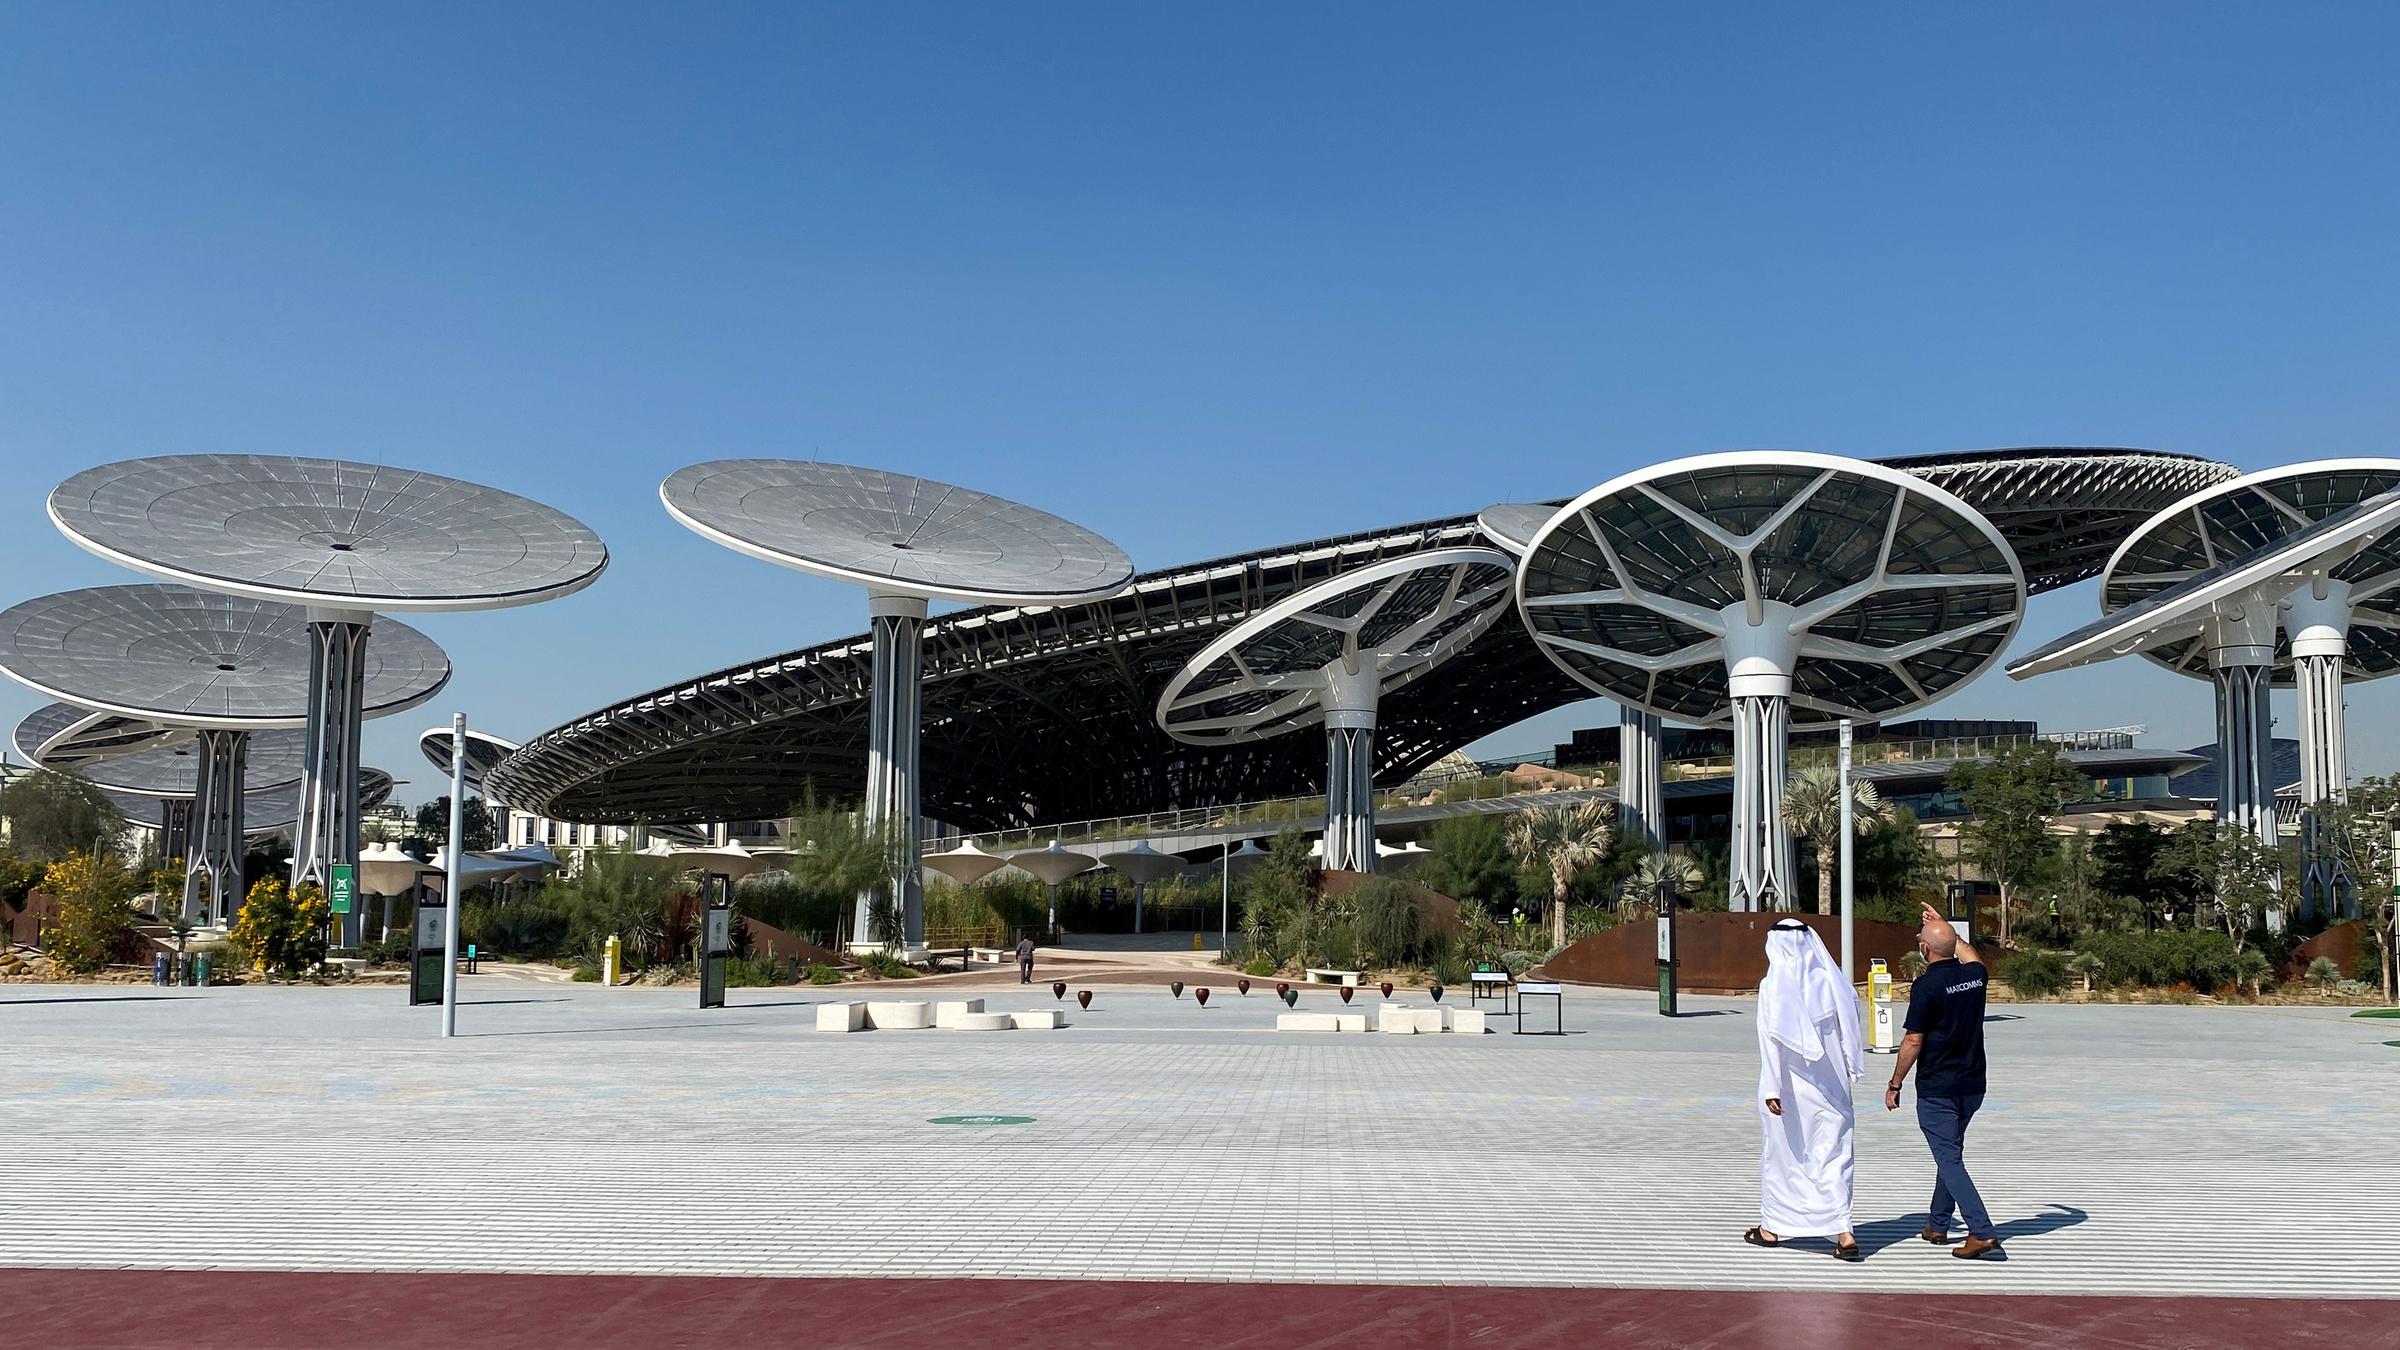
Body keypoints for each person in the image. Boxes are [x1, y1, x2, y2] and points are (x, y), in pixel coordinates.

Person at [1744, 919, 1864, 1262]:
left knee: (1785, 1156)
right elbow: (1849, 1035)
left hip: (1788, 1092)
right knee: (1835, 1155)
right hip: (1833, 1089)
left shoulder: (1773, 987)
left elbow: (1769, 1042)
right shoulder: (1832, 982)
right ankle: (1844, 1233)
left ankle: (1773, 1229)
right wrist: (1851, 1071)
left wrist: (1771, 1087)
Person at [1886, 902, 2001, 1260]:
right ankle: (1938, 1224)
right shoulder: (1976, 977)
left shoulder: (1926, 986)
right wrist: (1946, 927)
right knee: (1949, 1153)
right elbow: (1969, 954)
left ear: (1924, 949)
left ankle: (1981, 1232)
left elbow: (1913, 1041)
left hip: (1939, 1087)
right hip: (1973, 1085)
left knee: (1949, 1158)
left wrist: (1895, 1083)